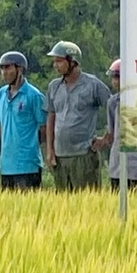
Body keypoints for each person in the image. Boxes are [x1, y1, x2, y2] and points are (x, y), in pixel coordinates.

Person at [42, 42, 111, 191]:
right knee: (63, 206)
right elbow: (51, 117)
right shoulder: (54, 86)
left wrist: (106, 137)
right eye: (54, 61)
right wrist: (50, 150)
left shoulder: (93, 85)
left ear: (72, 61)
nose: (55, 65)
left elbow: (113, 108)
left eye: (59, 61)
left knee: (88, 203)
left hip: (84, 155)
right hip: (60, 157)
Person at [0, 51, 47, 191]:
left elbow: (44, 127)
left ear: (19, 69)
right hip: (6, 164)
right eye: (2, 68)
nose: (4, 72)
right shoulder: (1, 94)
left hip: (28, 164)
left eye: (8, 67)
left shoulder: (34, 95)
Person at [105, 61, 137, 192]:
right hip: (118, 164)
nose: (115, 81)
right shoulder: (112, 102)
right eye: (113, 77)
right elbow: (112, 133)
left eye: (118, 77)